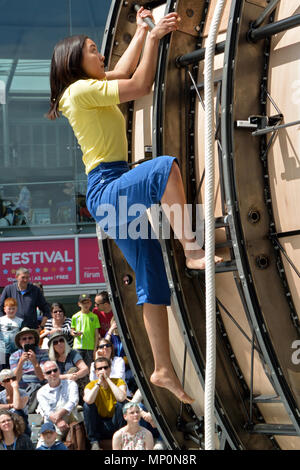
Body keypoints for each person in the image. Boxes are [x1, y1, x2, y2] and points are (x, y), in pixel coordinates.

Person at [47, 7, 223, 403]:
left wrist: (144, 32)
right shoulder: (78, 91)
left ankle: (162, 368)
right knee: (163, 169)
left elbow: (123, 72)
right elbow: (141, 83)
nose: (101, 56)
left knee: (152, 276)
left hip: (108, 194)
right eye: (93, 51)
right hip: (106, 187)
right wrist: (156, 36)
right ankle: (193, 250)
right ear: (76, 62)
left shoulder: (87, 87)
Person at [83, 356, 127, 450]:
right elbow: (88, 400)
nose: (103, 370)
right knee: (87, 406)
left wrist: (108, 380)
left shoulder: (119, 381)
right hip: (100, 424)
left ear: (110, 369)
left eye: (106, 367)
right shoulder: (91, 385)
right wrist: (99, 383)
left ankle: (122, 440)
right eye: (99, 368)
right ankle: (94, 443)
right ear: (96, 372)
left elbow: (121, 397)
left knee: (121, 404)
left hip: (115, 422)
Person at [36, 360, 80, 441]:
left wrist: (58, 416)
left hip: (70, 420)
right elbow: (47, 411)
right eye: (49, 372)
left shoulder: (71, 384)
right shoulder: (41, 392)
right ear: (44, 376)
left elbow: (73, 401)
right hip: (52, 424)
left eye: (55, 370)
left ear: (59, 370)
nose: (53, 373)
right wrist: (58, 421)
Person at [9, 327, 49, 412]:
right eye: (24, 339)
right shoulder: (14, 356)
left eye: (30, 338)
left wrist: (35, 362)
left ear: (34, 340)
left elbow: (42, 377)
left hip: (38, 385)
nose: (27, 341)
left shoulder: (44, 353)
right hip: (22, 387)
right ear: (20, 342)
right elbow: (16, 379)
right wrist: (21, 363)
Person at [71, 294, 100, 368]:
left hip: (90, 348)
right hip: (78, 346)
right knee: (78, 368)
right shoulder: (75, 316)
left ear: (90, 303)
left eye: (87, 302)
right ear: (79, 304)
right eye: (83, 303)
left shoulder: (94, 316)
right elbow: (72, 331)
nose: (86, 305)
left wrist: (95, 348)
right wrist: (75, 333)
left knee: (89, 369)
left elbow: (96, 334)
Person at [0, 369, 30, 437]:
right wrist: (10, 405)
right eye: (7, 380)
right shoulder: (1, 395)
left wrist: (15, 388)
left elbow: (17, 406)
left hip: (21, 425)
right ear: (2, 384)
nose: (11, 382)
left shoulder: (23, 393)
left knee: (17, 412)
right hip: (4, 424)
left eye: (13, 379)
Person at [0, 298, 23, 369]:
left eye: (13, 308)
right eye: (9, 309)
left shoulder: (20, 321)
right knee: (2, 367)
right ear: (4, 309)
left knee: (14, 366)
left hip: (15, 348)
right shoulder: (1, 320)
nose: (11, 311)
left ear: (16, 309)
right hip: (2, 349)